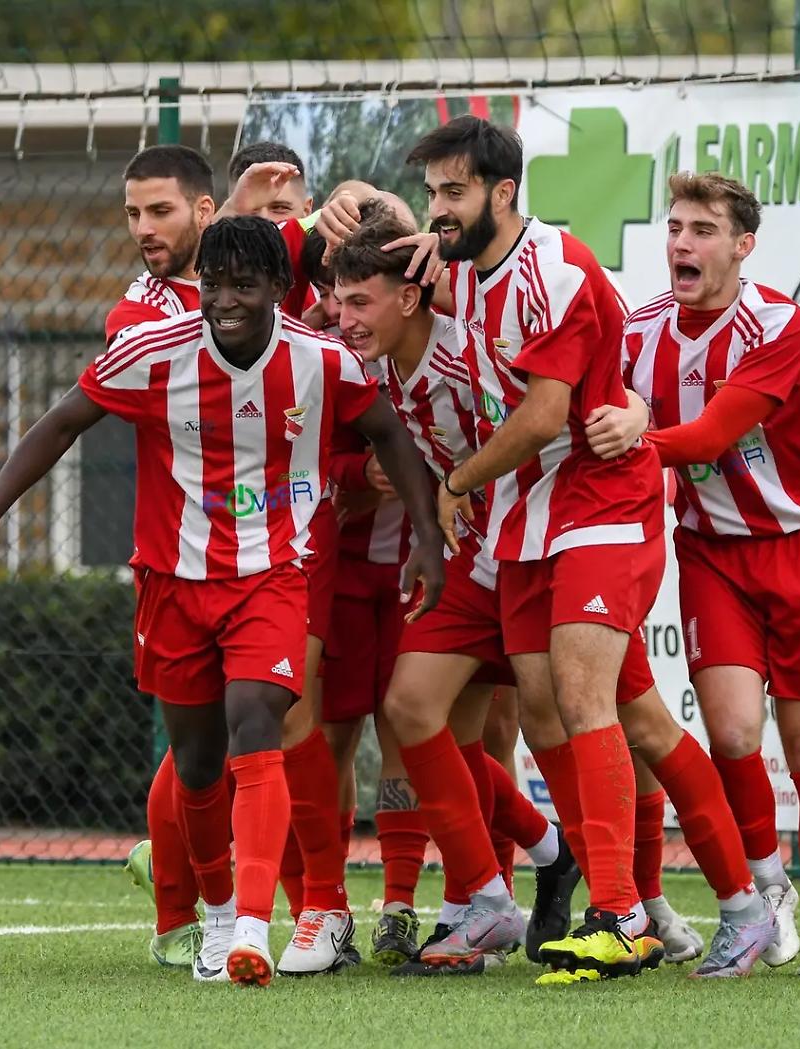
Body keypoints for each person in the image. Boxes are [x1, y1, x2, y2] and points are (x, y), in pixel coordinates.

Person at [0, 216, 445, 987]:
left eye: (244, 285)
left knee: (258, 719)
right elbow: (63, 420)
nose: (224, 301)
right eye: (212, 284)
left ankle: (251, 927)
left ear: (280, 288)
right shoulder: (151, 352)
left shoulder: (324, 362)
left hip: (273, 574)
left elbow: (390, 436)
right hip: (172, 584)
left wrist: (427, 537)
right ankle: (216, 912)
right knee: (199, 763)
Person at [399, 116, 774, 982]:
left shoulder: (555, 270)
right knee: (595, 715)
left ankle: (621, 912)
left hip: (605, 501)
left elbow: (542, 416)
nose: (438, 209)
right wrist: (383, 226)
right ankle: (734, 907)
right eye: (431, 194)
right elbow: (370, 268)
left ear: (503, 193)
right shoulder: (461, 265)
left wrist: (455, 482)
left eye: (454, 192)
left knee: (578, 694)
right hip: (532, 514)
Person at [588, 171, 800, 978]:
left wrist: (632, 431)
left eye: (703, 230)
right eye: (675, 227)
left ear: (742, 246)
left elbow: (710, 436)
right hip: (712, 553)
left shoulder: (778, 324)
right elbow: (584, 405)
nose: (681, 243)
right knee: (731, 734)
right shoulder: (639, 333)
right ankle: (767, 891)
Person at [333, 202, 587, 974]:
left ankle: (659, 901)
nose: (343, 318)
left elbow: (543, 422)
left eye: (359, 301)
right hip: (468, 553)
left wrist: (458, 496)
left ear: (410, 297)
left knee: (601, 721)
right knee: (421, 712)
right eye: (338, 302)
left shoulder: (469, 352)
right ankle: (492, 891)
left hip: (536, 548)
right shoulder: (374, 363)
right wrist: (428, 526)